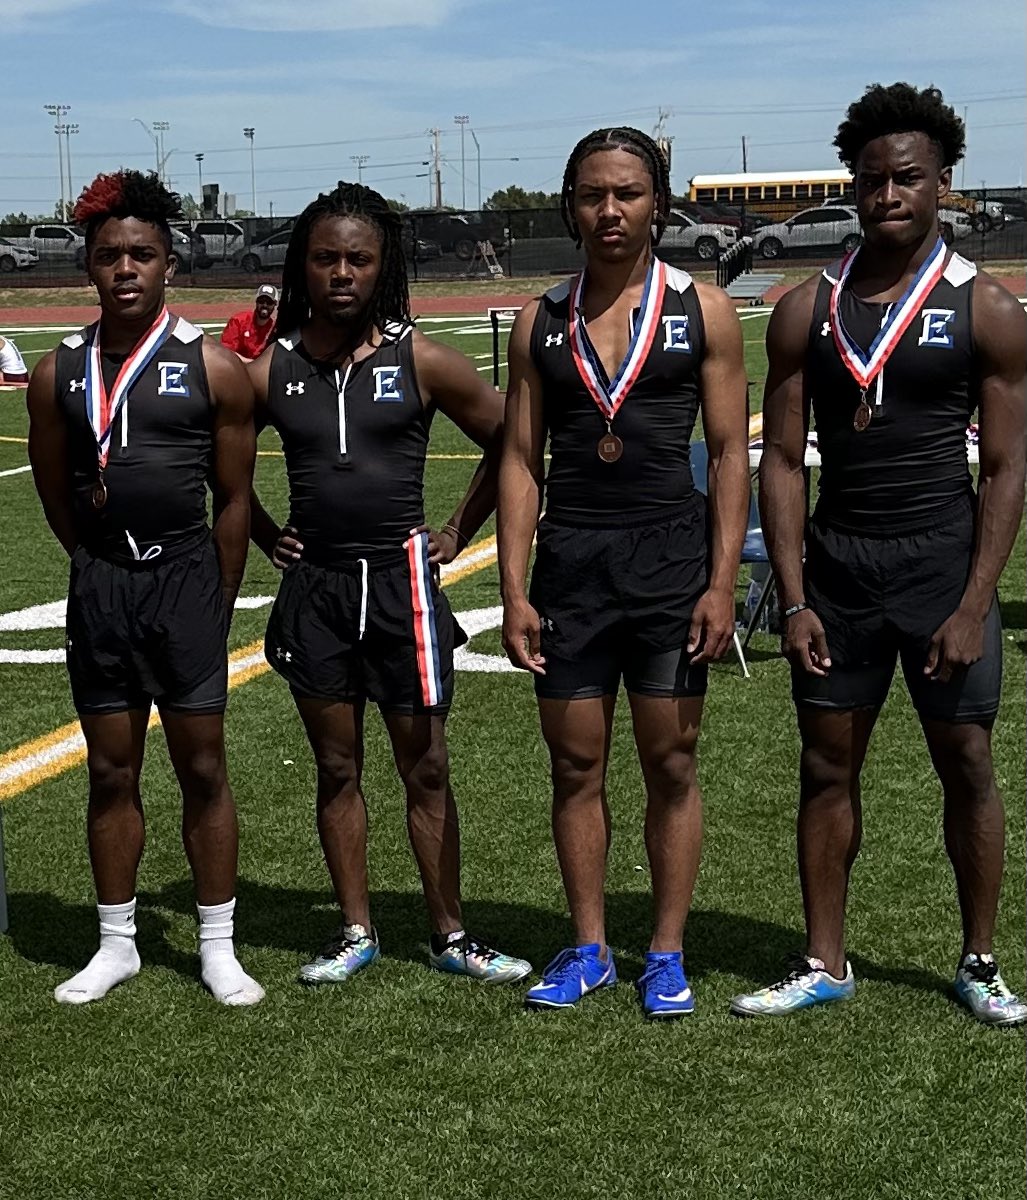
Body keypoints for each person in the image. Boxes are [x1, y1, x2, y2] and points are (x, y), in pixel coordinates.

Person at [732, 83, 1027, 1026]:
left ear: (943, 184)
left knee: (966, 763)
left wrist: (977, 601)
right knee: (825, 767)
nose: (886, 194)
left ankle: (978, 960)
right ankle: (824, 957)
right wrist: (791, 595)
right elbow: (779, 460)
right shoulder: (800, 309)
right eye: (869, 180)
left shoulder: (983, 306)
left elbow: (1008, 469)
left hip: (942, 563)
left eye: (906, 178)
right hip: (838, 566)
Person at [248, 182, 531, 988]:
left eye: (358, 259)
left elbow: (515, 440)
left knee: (426, 765)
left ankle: (450, 933)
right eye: (326, 258)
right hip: (318, 590)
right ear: (304, 266)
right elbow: (212, 462)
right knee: (336, 767)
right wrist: (271, 536)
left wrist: (455, 533)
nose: (342, 272)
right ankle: (354, 929)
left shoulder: (424, 358)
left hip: (402, 583)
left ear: (384, 267)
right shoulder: (272, 367)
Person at [498, 128, 749, 1018]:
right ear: (570, 205)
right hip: (572, 564)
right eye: (593, 195)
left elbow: (726, 456)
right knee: (575, 766)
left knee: (670, 761)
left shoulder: (702, 310)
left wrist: (721, 583)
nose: (610, 211)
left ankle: (667, 952)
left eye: (628, 194)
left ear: (658, 202)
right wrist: (514, 588)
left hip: (668, 562)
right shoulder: (541, 319)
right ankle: (589, 946)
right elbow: (521, 461)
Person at [26, 170, 263, 1007]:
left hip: (185, 581)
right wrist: (92, 561)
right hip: (103, 588)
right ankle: (117, 941)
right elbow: (52, 488)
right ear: (86, 269)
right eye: (108, 256)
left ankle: (217, 944)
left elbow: (234, 498)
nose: (125, 268)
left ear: (170, 264)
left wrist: (217, 595)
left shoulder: (215, 367)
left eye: (142, 254)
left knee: (203, 767)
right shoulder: (58, 371)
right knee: (110, 770)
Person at [220, 284, 279, 361]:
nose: (265, 305)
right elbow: (226, 351)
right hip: (237, 368)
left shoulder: (274, 329)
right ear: (256, 302)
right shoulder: (238, 321)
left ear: (275, 305)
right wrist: (249, 363)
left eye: (269, 302)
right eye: (261, 301)